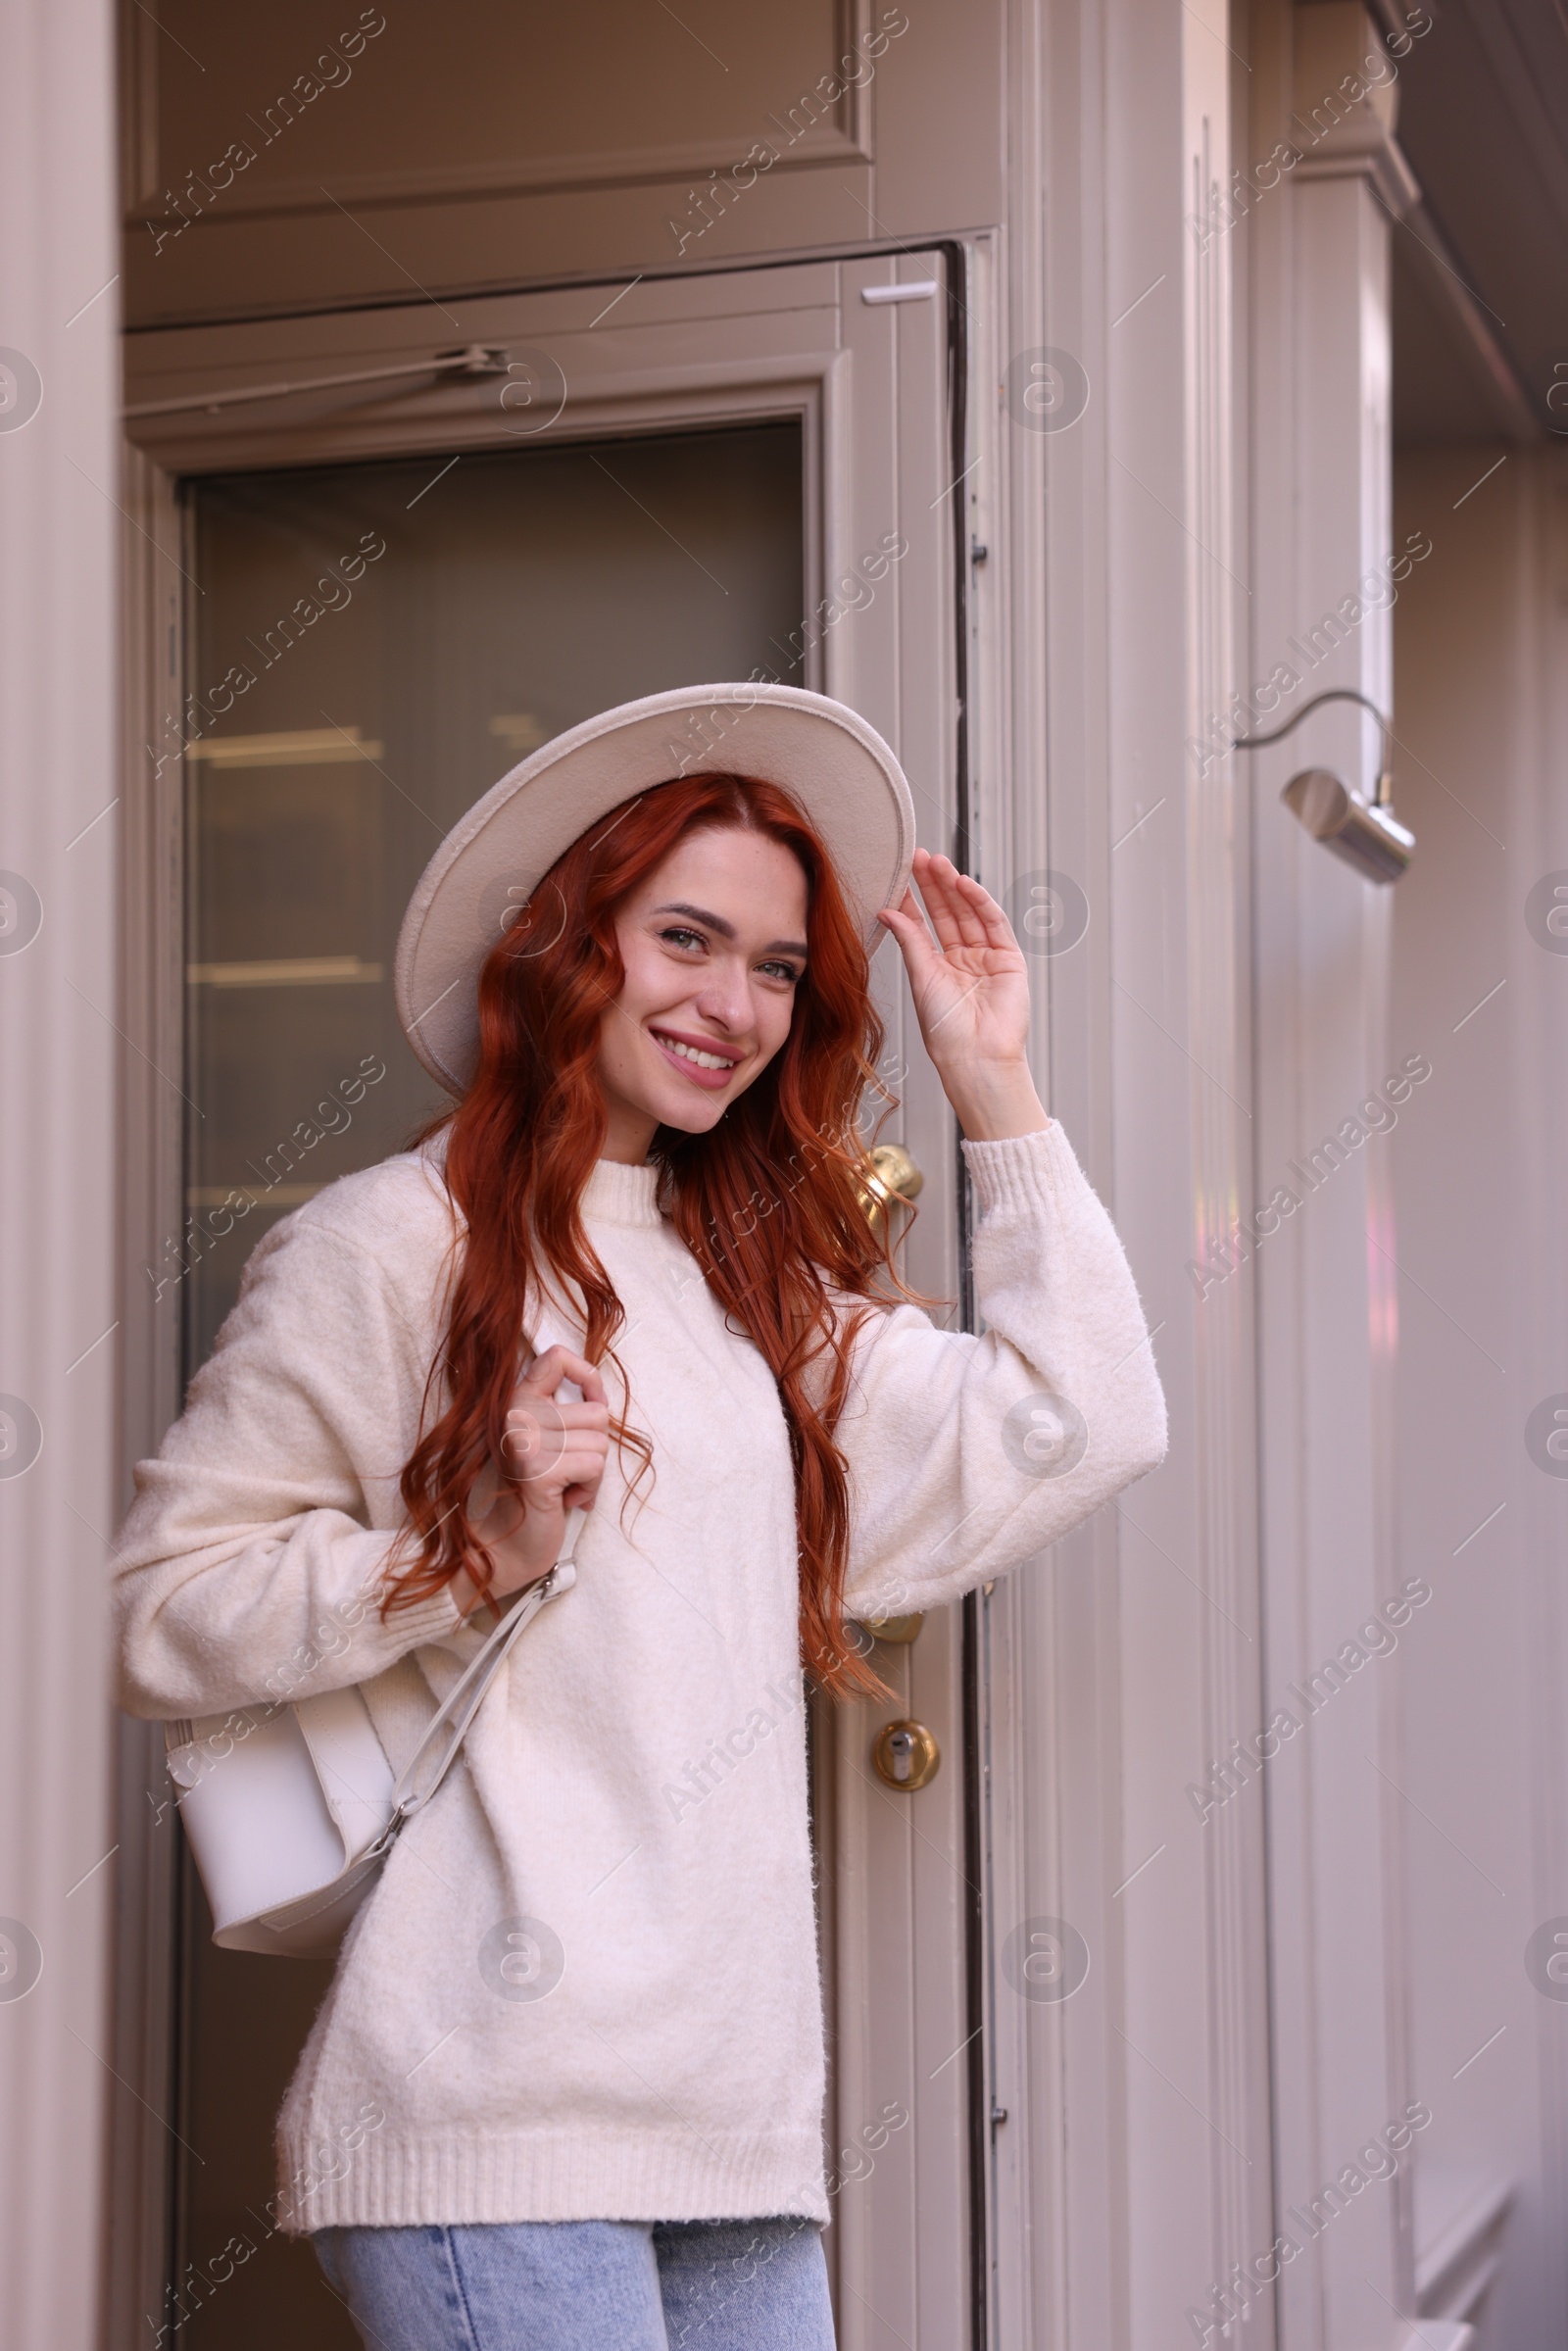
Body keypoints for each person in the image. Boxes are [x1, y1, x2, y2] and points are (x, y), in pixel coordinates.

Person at [114, 683, 1166, 2350]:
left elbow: (1079, 1420)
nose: (734, 1004)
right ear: (569, 944)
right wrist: (472, 1548)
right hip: (491, 2120)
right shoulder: (388, 1246)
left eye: (775, 968)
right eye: (687, 938)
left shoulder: (760, 1289)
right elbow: (164, 1609)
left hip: (741, 2125)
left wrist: (995, 1091)